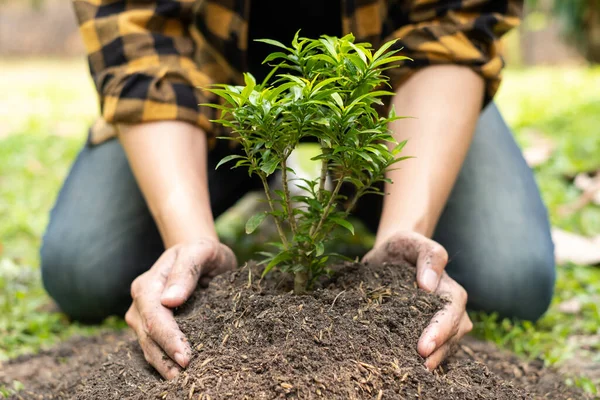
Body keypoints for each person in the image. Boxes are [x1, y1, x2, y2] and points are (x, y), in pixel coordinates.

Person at [42, 0, 554, 380]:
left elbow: (455, 26)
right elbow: (139, 41)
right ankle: (277, 178)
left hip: (387, 105)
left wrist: (407, 240)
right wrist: (186, 243)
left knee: (512, 279)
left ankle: (318, 182)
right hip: (213, 103)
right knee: (84, 268)